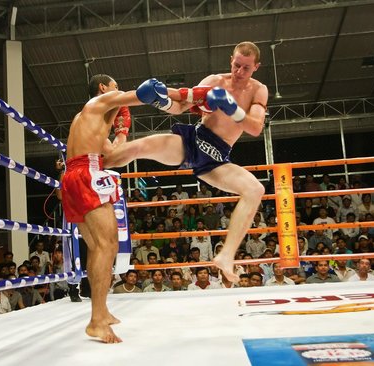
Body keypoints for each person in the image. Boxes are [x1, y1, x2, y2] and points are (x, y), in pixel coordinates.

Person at [104, 41, 268, 282]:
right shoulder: (215, 81)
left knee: (255, 189)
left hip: (217, 159)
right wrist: (161, 96)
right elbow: (182, 104)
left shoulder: (258, 90)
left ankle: (226, 256)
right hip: (194, 141)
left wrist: (232, 108)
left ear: (256, 67)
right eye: (236, 65)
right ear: (230, 60)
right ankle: (96, 163)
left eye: (245, 68)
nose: (239, 72)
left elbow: (255, 128)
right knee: (141, 146)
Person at [61, 74, 172, 343]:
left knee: (100, 247)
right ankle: (96, 320)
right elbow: (142, 93)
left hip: (77, 174)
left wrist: (122, 131)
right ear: (103, 88)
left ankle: (101, 312)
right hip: (86, 174)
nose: (117, 90)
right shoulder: (101, 101)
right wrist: (171, 96)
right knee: (107, 245)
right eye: (114, 86)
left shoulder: (90, 119)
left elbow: (111, 156)